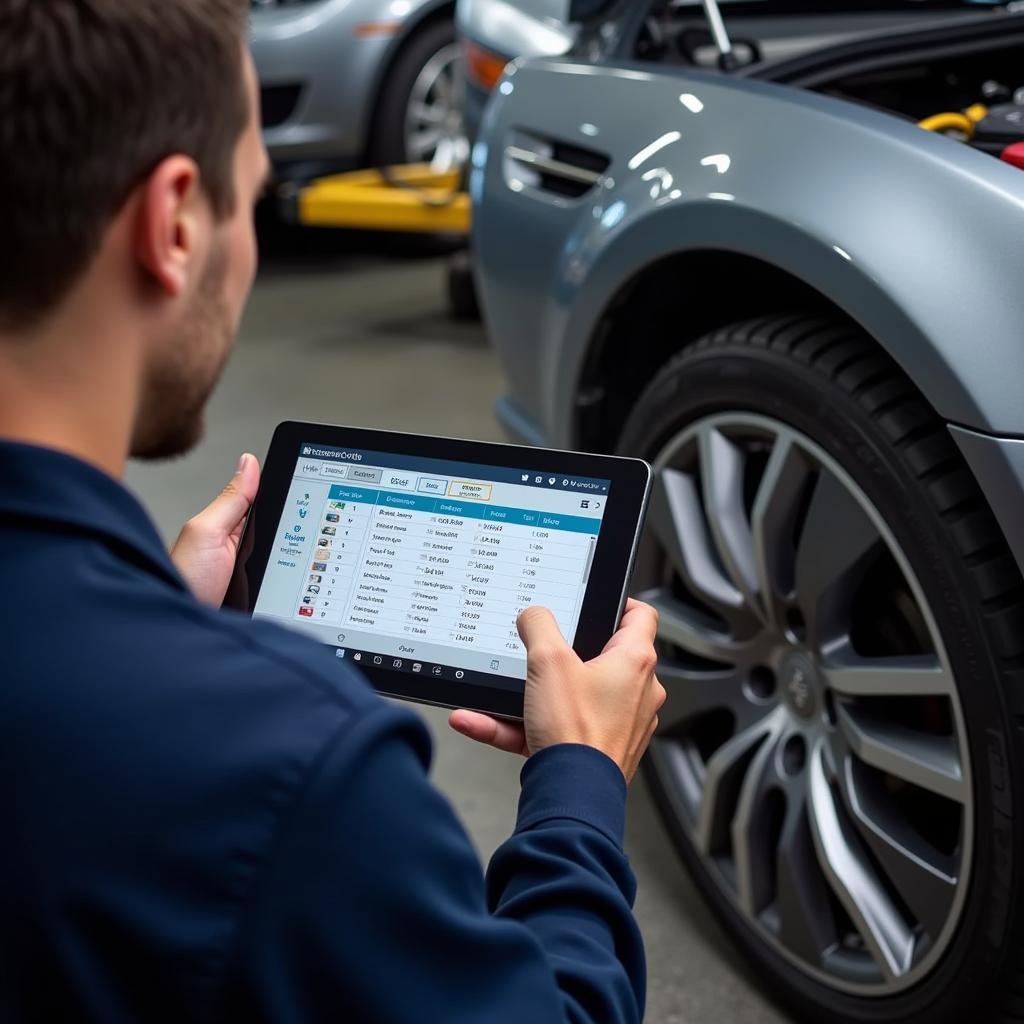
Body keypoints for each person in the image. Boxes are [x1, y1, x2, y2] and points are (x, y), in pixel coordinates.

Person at [0, 1, 665, 1021]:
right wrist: (577, 787)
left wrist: (149, 620)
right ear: (174, 223)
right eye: (251, 200)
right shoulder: (289, 766)